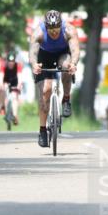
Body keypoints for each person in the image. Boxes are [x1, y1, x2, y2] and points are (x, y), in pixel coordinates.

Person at [30, 10, 80, 148]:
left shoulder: (69, 30)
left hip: (63, 54)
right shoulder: (38, 33)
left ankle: (66, 99)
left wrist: (73, 64)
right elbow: (33, 53)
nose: (53, 32)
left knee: (66, 66)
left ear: (60, 25)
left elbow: (75, 50)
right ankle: (42, 130)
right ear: (45, 27)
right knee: (45, 90)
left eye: (56, 28)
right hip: (44, 56)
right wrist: (34, 65)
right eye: (50, 29)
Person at [2, 52, 22, 126]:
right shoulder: (4, 66)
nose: (11, 63)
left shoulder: (18, 66)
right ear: (7, 61)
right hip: (6, 82)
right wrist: (2, 84)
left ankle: (15, 115)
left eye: (12, 61)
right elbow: (1, 76)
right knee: (5, 94)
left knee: (14, 97)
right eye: (9, 61)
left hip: (15, 84)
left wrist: (19, 85)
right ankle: (4, 109)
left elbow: (20, 76)